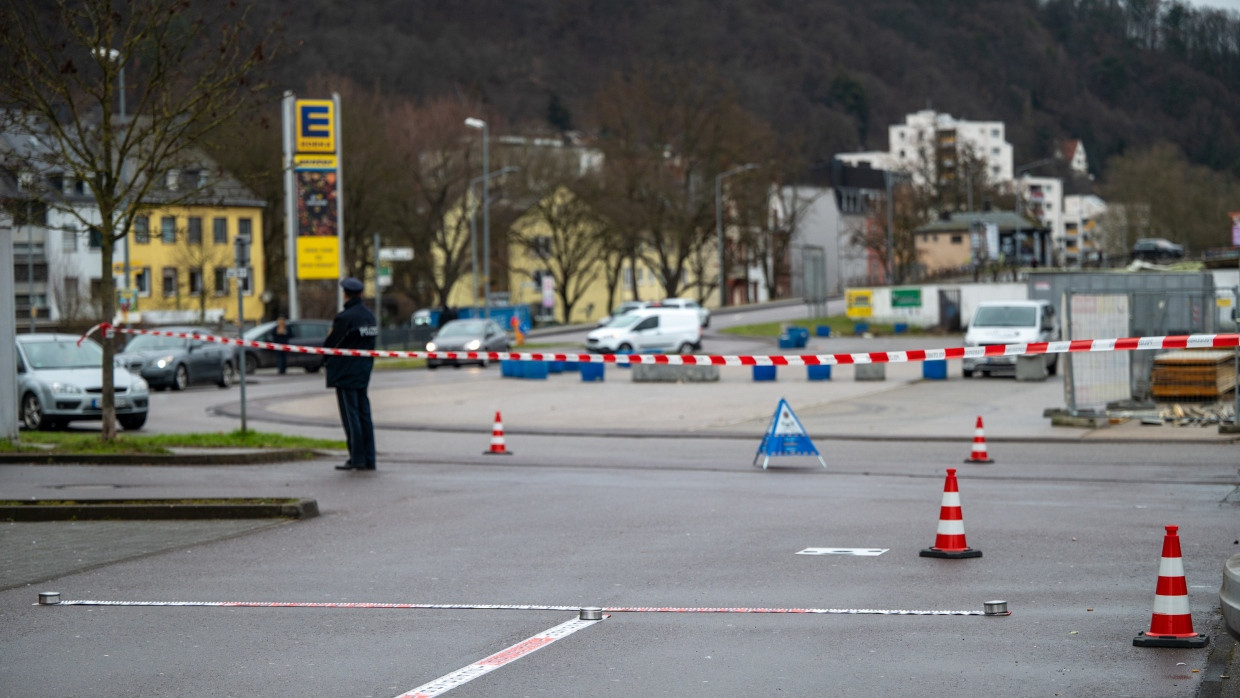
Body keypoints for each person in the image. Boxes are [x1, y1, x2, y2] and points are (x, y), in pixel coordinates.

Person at [324, 277, 378, 471]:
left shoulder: (344, 318)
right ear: (361, 294)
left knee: (351, 416)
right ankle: (370, 458)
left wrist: (323, 361)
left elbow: (331, 345)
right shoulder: (369, 317)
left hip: (345, 373)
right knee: (364, 414)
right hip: (363, 372)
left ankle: (357, 458)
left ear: (345, 294)